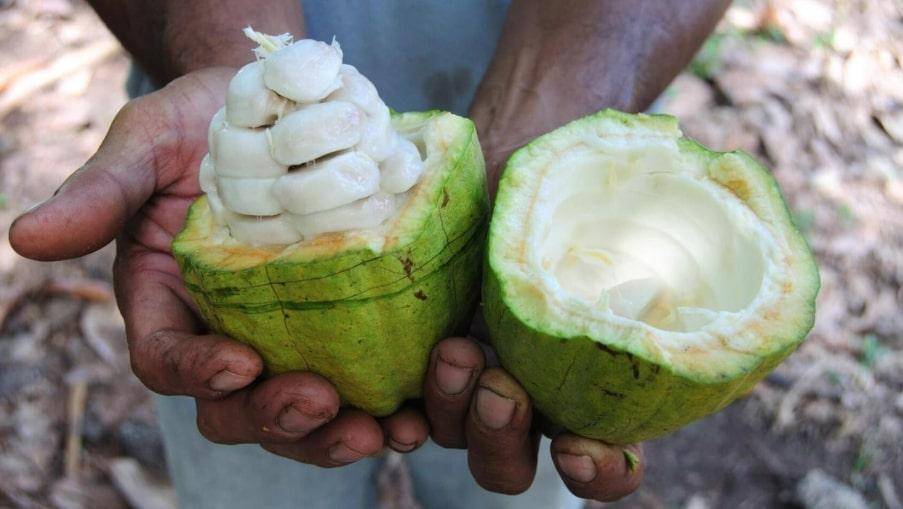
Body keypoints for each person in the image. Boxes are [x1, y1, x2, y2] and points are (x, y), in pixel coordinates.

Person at [10, 1, 730, 507]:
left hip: (562, 97)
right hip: (212, 59)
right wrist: (222, 57)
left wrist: (556, 119)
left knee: (511, 452)